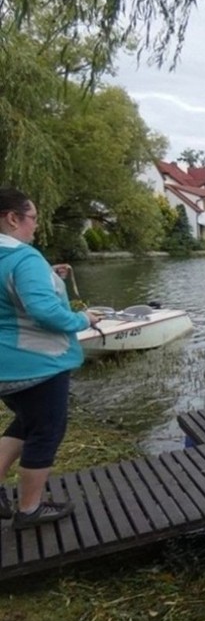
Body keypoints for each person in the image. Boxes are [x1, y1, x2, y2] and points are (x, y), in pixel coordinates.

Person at [0, 187, 102, 529]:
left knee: (25, 423)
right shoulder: (24, 258)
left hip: (6, 369)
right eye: (33, 218)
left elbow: (11, 299)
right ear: (12, 218)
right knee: (46, 432)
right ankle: (29, 510)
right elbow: (44, 312)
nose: (36, 225)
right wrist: (82, 319)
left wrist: (49, 277)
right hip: (36, 364)